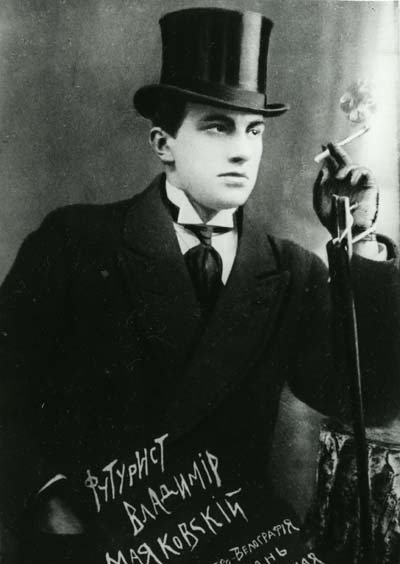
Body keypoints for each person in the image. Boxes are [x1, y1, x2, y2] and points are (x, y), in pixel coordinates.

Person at [0, 7, 399, 564]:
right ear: (163, 142)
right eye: (217, 126)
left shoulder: (293, 271)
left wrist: (359, 239)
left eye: (254, 130)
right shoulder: (75, 243)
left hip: (236, 537)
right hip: (96, 538)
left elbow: (370, 400)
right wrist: (41, 495)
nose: (242, 150)